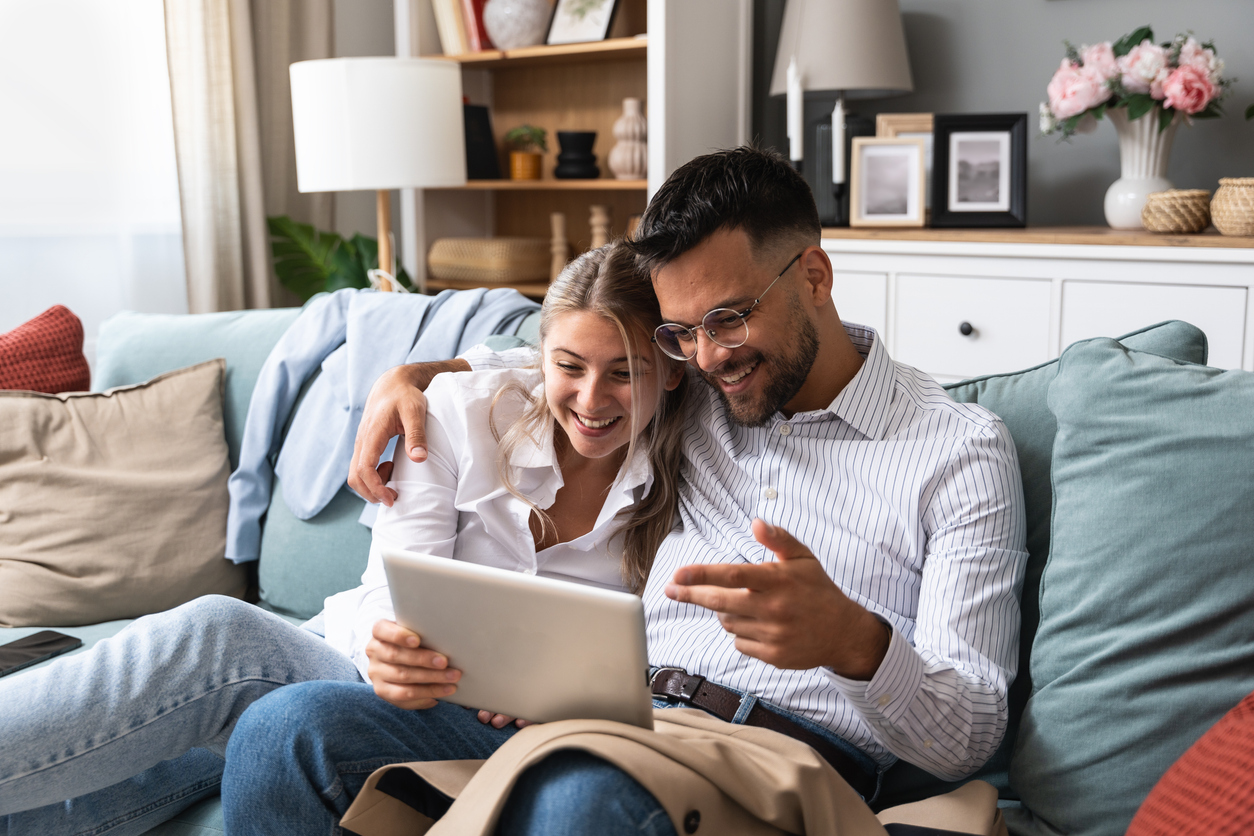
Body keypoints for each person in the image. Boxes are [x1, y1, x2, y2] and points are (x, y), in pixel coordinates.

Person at [221, 146, 1029, 835]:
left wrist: (855, 642)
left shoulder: (957, 452)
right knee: (285, 729)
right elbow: (576, 365)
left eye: (728, 318)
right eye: (681, 335)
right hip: (609, 720)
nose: (707, 357)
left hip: (781, 759)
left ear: (813, 273)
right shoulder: (702, 391)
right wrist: (417, 375)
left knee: (575, 802)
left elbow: (970, 729)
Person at [0, 241, 687, 833]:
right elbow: (389, 593)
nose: (593, 399)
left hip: (545, 731)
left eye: (626, 373)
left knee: (223, 642)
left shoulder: (702, 462)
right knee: (174, 749)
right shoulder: (461, 409)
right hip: (382, 691)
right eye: (569, 365)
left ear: (672, 368)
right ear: (539, 355)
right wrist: (386, 643)